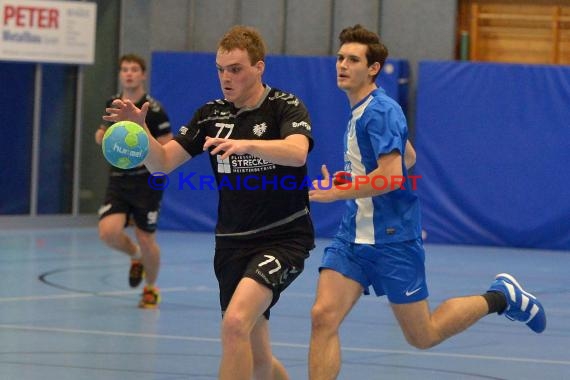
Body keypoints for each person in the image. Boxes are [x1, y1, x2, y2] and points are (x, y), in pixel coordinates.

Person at [307, 24, 546, 380]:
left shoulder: (381, 111)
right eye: (340, 57)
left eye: (352, 59)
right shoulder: (360, 110)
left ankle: (502, 297)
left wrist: (338, 192)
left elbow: (392, 177)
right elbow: (409, 157)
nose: (342, 64)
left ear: (372, 69)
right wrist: (357, 180)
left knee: (424, 335)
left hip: (393, 239)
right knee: (323, 316)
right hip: (353, 237)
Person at [103, 26, 315, 380]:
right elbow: (163, 163)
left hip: (284, 238)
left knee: (234, 325)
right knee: (258, 358)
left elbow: (296, 152)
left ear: (259, 67)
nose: (226, 77)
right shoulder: (209, 115)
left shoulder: (284, 105)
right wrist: (142, 134)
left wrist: (248, 144)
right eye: (220, 69)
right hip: (232, 242)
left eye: (236, 69)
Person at [95, 53, 172, 309]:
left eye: (134, 69)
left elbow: (167, 145)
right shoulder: (113, 103)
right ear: (120, 74)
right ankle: (135, 256)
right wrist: (104, 139)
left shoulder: (154, 109)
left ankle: (150, 289)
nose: (129, 73)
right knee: (108, 232)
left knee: (146, 237)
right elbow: (102, 133)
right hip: (119, 180)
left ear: (143, 75)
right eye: (124, 69)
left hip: (147, 182)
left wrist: (142, 154)